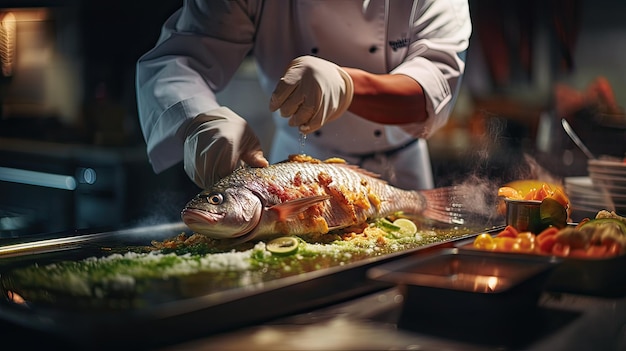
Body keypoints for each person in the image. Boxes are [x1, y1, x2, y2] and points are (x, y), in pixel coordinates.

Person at [136, 0, 472, 191]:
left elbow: (431, 90)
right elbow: (177, 57)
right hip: (296, 171)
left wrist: (347, 85)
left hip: (402, 175)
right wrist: (199, 118)